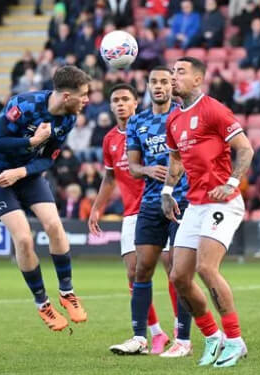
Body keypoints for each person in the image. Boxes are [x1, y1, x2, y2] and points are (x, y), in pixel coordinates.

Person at [0, 65, 90, 331]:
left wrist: (22, 169)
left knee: (54, 226)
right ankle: (42, 304)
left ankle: (67, 292)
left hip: (25, 172)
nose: (87, 99)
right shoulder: (23, 104)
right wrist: (32, 143)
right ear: (66, 96)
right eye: (83, 94)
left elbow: (49, 159)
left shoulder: (68, 119)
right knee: (23, 238)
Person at [162, 57, 254, 367]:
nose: (174, 77)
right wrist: (165, 191)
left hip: (222, 201)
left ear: (198, 80)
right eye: (172, 72)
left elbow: (246, 149)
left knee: (206, 268)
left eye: (181, 72)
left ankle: (235, 340)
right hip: (195, 202)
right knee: (179, 277)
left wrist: (231, 183)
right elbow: (176, 161)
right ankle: (212, 337)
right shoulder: (173, 120)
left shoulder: (214, 109)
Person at [103, 75, 193, 357]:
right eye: (154, 81)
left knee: (179, 273)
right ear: (148, 87)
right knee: (141, 270)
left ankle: (183, 340)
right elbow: (131, 166)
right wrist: (147, 170)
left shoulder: (182, 116)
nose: (159, 86)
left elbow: (192, 155)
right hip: (150, 205)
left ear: (171, 86)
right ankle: (139, 337)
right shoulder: (138, 123)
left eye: (165, 81)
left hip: (182, 203)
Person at [86, 83, 172, 355]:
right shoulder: (110, 138)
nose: (121, 104)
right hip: (132, 213)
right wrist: (97, 207)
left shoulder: (149, 129)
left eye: (126, 99)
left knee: (174, 270)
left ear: (136, 103)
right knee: (134, 273)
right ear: (110, 105)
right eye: (116, 100)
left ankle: (184, 333)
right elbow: (110, 177)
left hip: (159, 206)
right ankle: (155, 334)